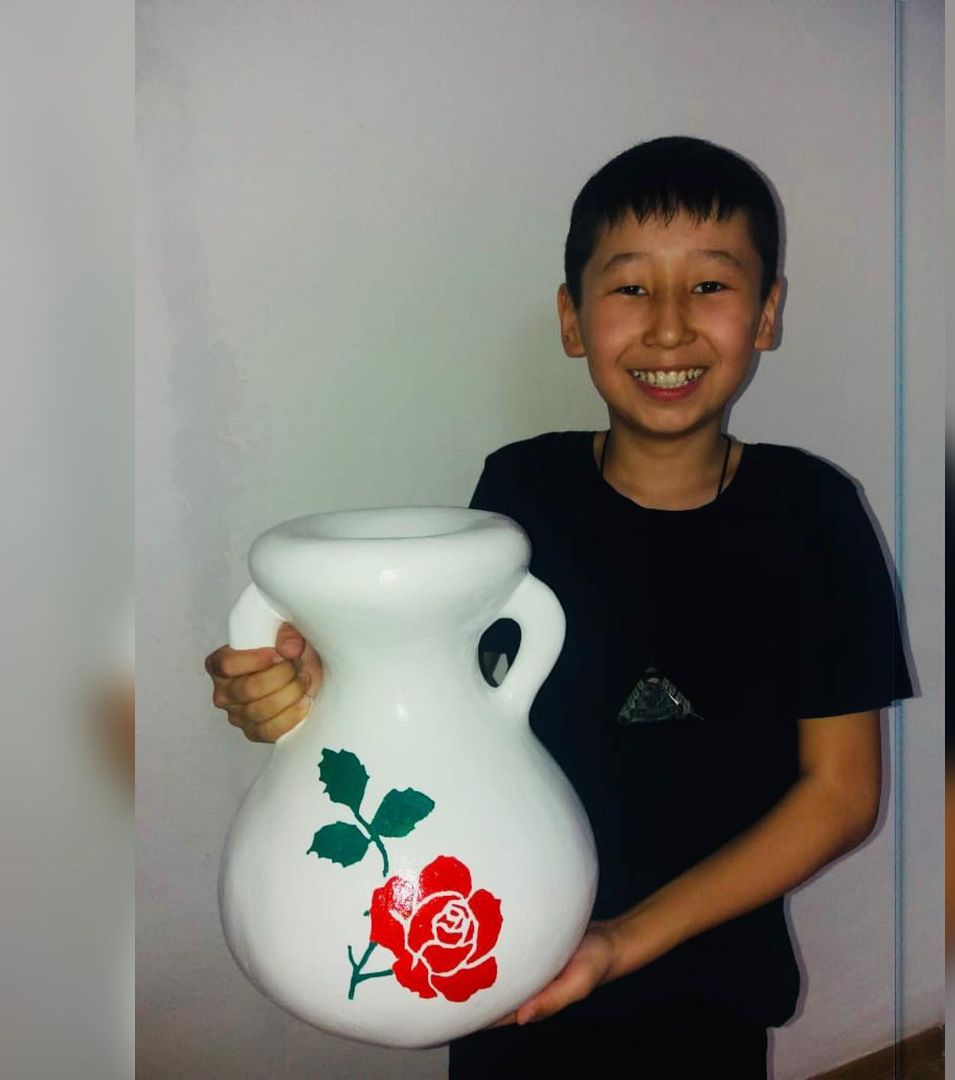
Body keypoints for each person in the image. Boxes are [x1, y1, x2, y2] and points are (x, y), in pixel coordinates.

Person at [205, 136, 912, 1077]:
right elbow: (444, 695)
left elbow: (841, 794)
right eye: (630, 288)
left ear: (768, 313)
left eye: (710, 285)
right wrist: (306, 683)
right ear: (573, 320)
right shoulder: (520, 487)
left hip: (709, 982)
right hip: (499, 956)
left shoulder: (813, 513)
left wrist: (622, 941)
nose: (669, 327)